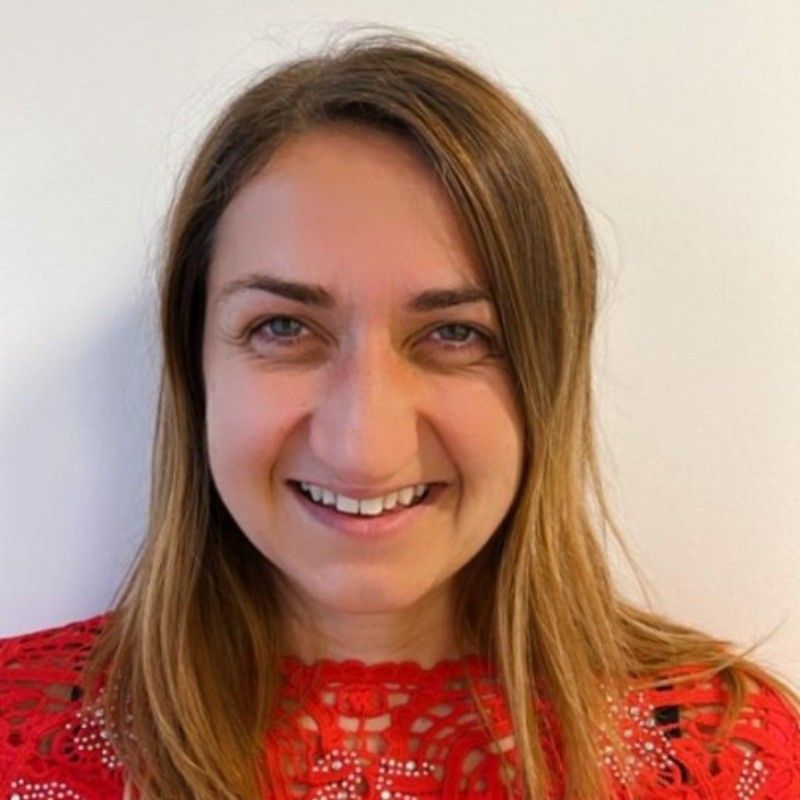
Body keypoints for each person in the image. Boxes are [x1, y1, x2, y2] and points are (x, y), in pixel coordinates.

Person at [1, 28, 798, 800]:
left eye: (455, 333)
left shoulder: (731, 759)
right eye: (284, 328)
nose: (364, 446)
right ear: (194, 365)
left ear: (547, 377)